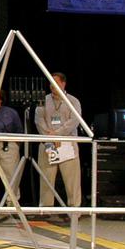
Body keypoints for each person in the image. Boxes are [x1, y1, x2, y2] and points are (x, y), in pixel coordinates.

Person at [36, 72, 83, 211]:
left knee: (72, 181)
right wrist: (50, 137)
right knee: (46, 179)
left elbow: (74, 121)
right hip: (48, 144)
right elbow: (39, 121)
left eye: (55, 82)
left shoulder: (73, 101)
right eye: (50, 83)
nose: (52, 86)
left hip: (67, 144)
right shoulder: (43, 100)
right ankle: (46, 209)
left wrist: (58, 134)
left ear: (63, 83)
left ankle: (74, 209)